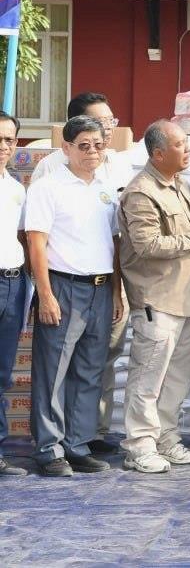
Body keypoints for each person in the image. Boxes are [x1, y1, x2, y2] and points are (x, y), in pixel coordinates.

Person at [118, 120, 190, 474]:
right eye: (180, 145)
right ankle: (139, 446)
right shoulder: (141, 192)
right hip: (157, 299)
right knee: (147, 378)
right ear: (158, 153)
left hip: (187, 299)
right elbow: (147, 245)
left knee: (177, 378)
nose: (188, 150)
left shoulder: (178, 184)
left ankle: (165, 438)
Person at [31, 92, 133, 456]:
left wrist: (116, 291)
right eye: (84, 146)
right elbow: (36, 244)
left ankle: (78, 444)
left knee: (90, 370)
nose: (92, 152)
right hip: (64, 287)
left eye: (99, 145)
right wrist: (45, 295)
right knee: (54, 372)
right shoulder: (49, 186)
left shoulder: (106, 189)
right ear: (67, 148)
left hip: (101, 289)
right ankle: (49, 448)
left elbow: (114, 243)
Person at [0, 112, 28, 476]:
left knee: (2, 373)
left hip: (12, 283)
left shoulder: (16, 188)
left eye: (9, 139)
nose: (3, 146)